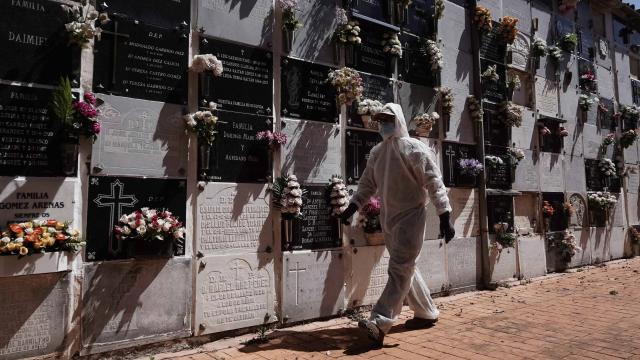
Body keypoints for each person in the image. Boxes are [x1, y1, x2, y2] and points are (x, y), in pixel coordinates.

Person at [340, 103, 455, 346]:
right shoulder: (378, 152)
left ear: (399, 120)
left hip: (411, 217)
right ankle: (426, 312)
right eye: (380, 120)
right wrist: (352, 206)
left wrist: (445, 214)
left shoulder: (415, 149)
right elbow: (367, 185)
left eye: (388, 120)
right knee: (405, 267)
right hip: (388, 218)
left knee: (400, 268)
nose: (384, 125)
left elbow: (434, 182)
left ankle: (380, 322)